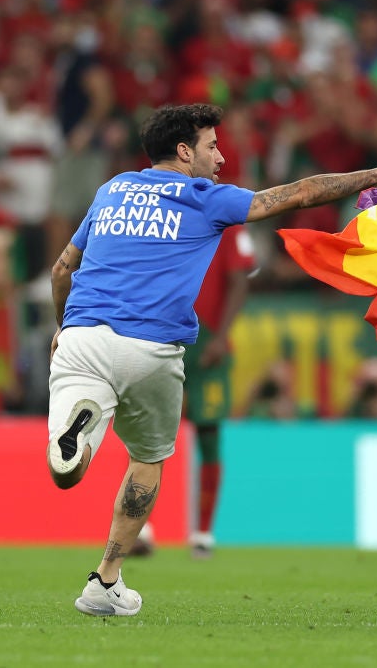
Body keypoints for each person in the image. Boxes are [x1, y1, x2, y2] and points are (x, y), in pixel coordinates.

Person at [47, 103, 377, 617]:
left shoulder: (110, 189)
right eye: (211, 146)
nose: (221, 156)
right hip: (152, 348)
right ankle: (106, 577)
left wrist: (60, 327)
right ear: (185, 152)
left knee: (69, 469)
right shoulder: (205, 198)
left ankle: (78, 435)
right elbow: (300, 193)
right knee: (148, 459)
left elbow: (60, 270)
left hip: (79, 339)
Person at [131, 224, 256, 559]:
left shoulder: (227, 221)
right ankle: (142, 528)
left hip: (209, 345)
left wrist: (220, 337)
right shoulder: (162, 218)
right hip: (163, 338)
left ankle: (203, 533)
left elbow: (241, 279)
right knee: (151, 434)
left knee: (209, 433)